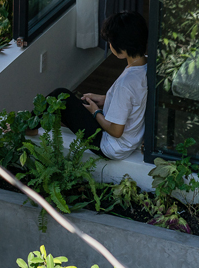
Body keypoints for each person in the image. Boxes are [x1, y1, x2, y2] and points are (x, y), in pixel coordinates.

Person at [54, 11, 148, 160]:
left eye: (110, 42)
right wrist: (106, 98)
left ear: (122, 47)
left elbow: (116, 131)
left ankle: (29, 127)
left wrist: (95, 112)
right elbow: (134, 100)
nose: (110, 45)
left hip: (110, 146)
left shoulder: (126, 83)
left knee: (59, 96)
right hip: (131, 140)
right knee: (75, 105)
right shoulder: (145, 67)